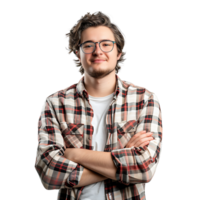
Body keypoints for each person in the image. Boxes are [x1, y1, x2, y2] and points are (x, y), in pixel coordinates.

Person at [33, 10, 164, 200]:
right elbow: (47, 174)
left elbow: (146, 168)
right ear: (77, 53)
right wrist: (125, 159)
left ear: (119, 51)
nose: (97, 51)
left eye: (106, 44)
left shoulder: (146, 99)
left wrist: (74, 155)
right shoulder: (54, 104)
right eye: (88, 45)